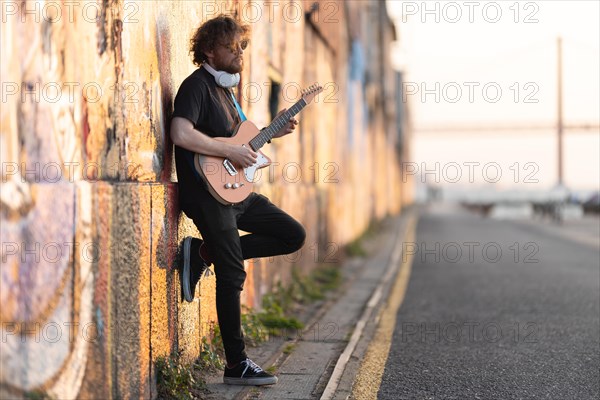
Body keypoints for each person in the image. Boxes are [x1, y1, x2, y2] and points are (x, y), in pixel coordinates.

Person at [169, 14, 306, 386]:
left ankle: (204, 253)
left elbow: (239, 146)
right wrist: (228, 151)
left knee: (291, 235)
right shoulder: (195, 86)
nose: (239, 53)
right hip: (206, 194)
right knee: (233, 274)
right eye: (232, 47)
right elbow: (181, 132)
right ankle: (236, 365)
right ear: (209, 50)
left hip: (235, 192)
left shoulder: (226, 94)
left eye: (242, 46)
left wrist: (269, 133)